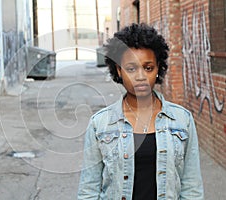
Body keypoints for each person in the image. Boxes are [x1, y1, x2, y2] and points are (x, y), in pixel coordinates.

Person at [77, 23, 204, 200]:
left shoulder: (182, 120)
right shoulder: (101, 124)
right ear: (119, 71)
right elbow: (88, 190)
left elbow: (192, 188)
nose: (140, 76)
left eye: (148, 68)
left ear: (158, 68)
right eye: (131, 69)